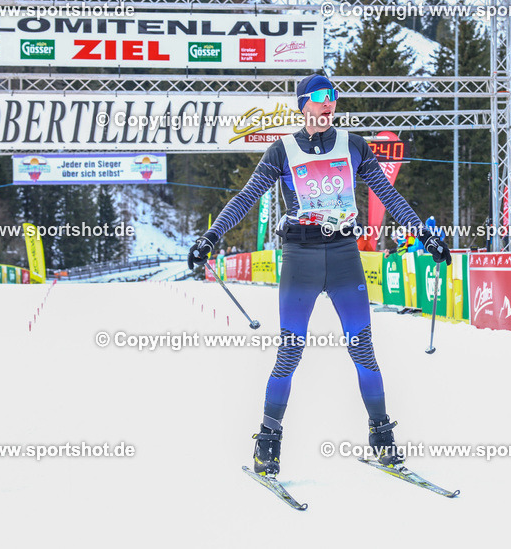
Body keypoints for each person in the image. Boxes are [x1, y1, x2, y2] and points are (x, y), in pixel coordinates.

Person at [187, 73, 451, 478]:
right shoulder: (282, 151)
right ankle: (267, 443)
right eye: (321, 98)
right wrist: (211, 236)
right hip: (301, 256)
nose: (329, 105)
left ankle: (382, 436)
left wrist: (426, 236)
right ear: (303, 105)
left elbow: (389, 196)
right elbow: (245, 197)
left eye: (334, 98)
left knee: (363, 347)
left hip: (344, 254)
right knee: (290, 351)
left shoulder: (354, 145)